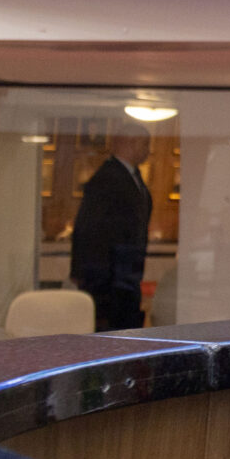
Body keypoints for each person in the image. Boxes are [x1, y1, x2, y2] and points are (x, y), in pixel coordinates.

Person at [69, 121, 154, 331]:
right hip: (109, 280)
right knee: (113, 331)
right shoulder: (107, 179)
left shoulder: (130, 177)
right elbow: (89, 231)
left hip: (125, 276)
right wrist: (94, 279)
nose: (148, 151)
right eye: (145, 144)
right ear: (131, 143)